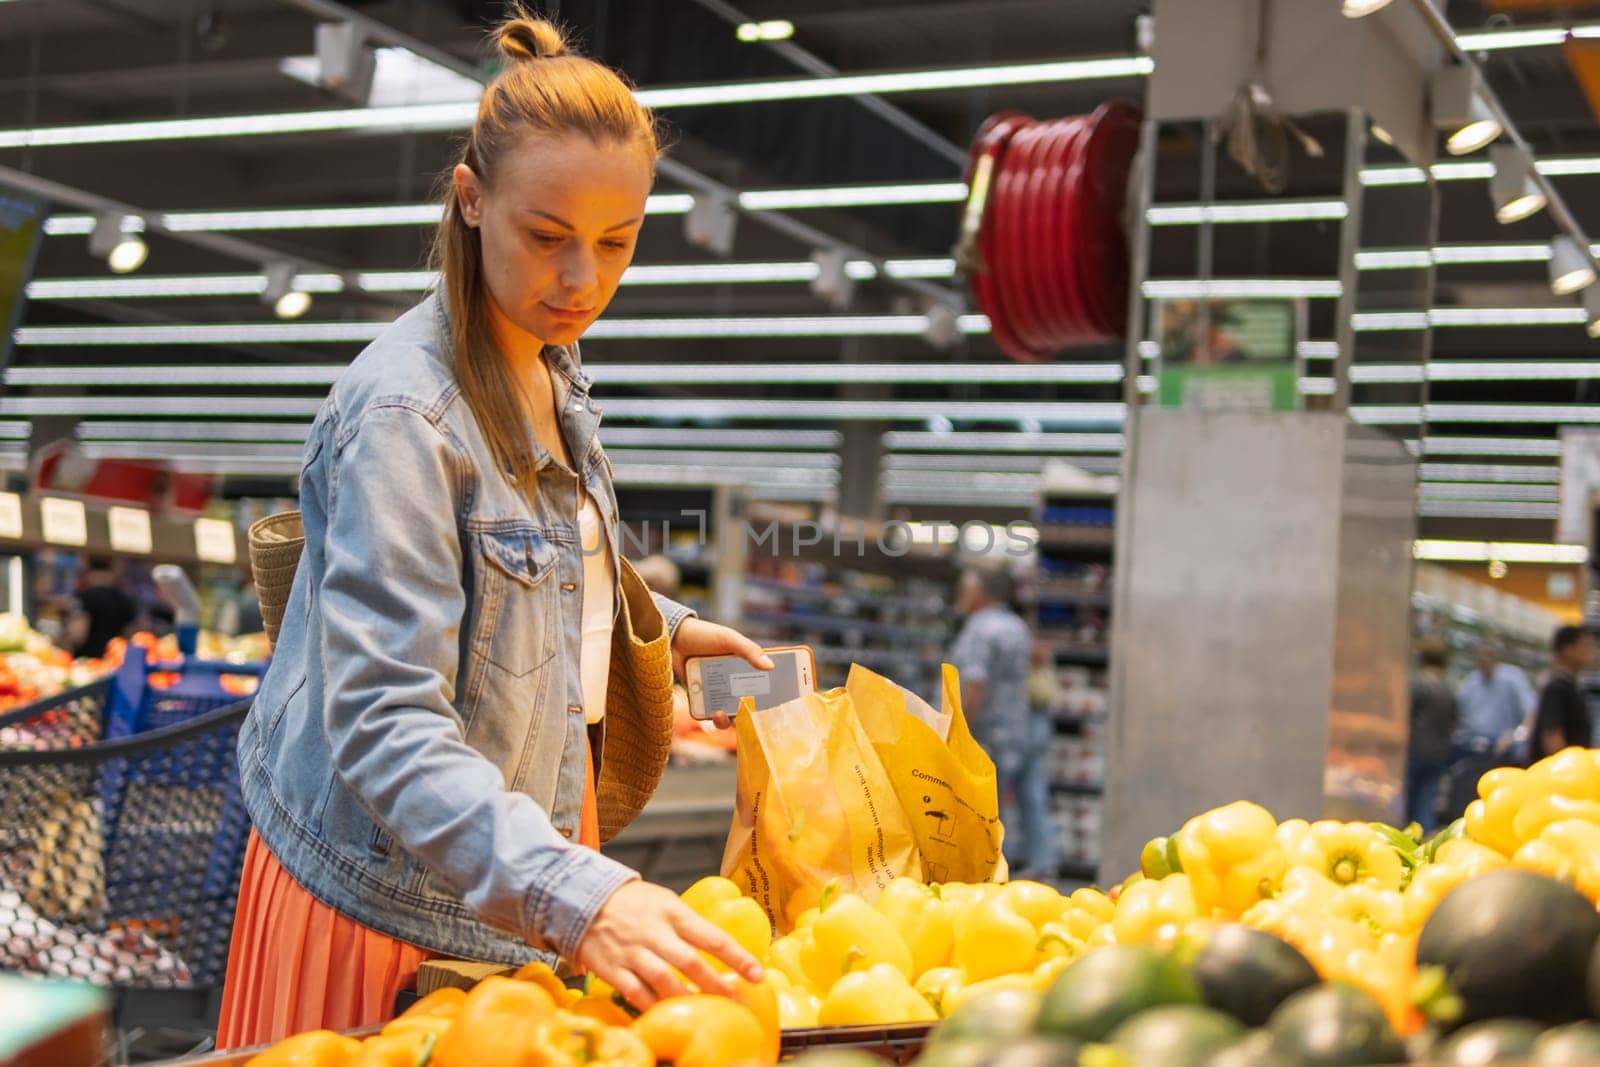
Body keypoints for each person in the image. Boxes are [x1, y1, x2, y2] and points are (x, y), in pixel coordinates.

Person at [218, 14, 770, 1048]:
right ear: (471, 201)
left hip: (505, 870)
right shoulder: (404, 414)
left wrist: (669, 626)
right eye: (547, 235)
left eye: (616, 243)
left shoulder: (545, 367)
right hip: (392, 898)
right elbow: (383, 722)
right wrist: (585, 895)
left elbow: (531, 569)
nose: (582, 281)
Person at [950, 567, 1058, 878]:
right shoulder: (1016, 626)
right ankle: (1043, 863)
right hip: (1019, 726)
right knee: (1030, 797)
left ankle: (989, 871)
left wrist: (958, 727)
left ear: (978, 593)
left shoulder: (980, 629)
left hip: (988, 733)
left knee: (983, 808)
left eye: (966, 588)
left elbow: (975, 682)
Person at [1404, 636, 1456, 833]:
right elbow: (1453, 724)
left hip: (1414, 751)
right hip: (1439, 753)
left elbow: (1405, 718)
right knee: (1426, 804)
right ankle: (1424, 846)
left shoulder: (1417, 685)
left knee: (1406, 805)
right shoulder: (1448, 690)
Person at [1530, 625, 1596, 763]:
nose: (1592, 652)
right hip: (1560, 777)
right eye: (1585, 646)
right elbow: (1552, 735)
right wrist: (1568, 770)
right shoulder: (1558, 688)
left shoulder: (1571, 686)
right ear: (1566, 649)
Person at [65, 557, 137, 660]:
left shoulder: (84, 597)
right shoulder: (125, 599)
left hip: (86, 665)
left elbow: (77, 635)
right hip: (113, 665)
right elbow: (133, 637)